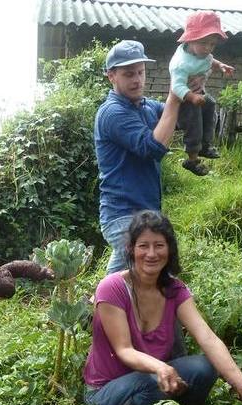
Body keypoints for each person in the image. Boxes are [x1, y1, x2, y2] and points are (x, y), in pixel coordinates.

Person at [82, 210, 242, 405]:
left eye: (159, 245)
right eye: (143, 246)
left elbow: (207, 338)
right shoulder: (112, 287)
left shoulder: (174, 289)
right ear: (131, 249)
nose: (151, 254)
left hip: (151, 382)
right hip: (105, 394)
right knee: (155, 379)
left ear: (169, 249)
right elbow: (124, 350)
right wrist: (160, 367)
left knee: (205, 368)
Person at [95, 40, 181, 275]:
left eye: (141, 72)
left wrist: (190, 86)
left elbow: (177, 116)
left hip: (146, 213)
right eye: (129, 74)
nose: (137, 80)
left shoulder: (146, 107)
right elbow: (153, 148)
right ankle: (96, 306)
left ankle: (93, 305)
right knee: (150, 272)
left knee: (138, 277)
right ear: (111, 76)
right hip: (122, 214)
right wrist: (174, 96)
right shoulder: (113, 112)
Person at [168, 11, 235, 176]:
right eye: (204, 42)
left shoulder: (202, 53)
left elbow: (210, 59)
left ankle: (205, 146)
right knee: (194, 124)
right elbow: (176, 87)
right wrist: (192, 97)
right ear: (190, 39)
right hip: (184, 99)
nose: (208, 48)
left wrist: (220, 66)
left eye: (212, 44)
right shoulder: (180, 63)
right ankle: (191, 160)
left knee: (211, 105)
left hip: (198, 94)